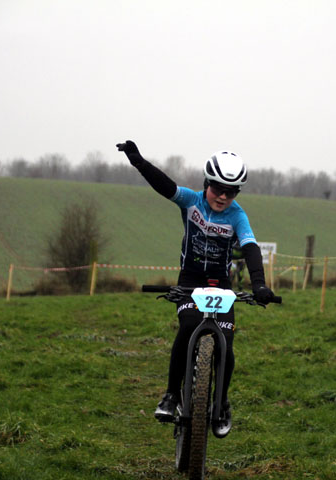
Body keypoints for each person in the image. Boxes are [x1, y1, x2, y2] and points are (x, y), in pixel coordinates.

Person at [117, 140, 275, 438]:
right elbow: (165, 186)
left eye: (231, 192)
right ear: (206, 184)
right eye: (217, 189)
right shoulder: (191, 201)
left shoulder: (237, 216)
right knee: (188, 327)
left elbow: (251, 248)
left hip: (220, 283)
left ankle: (222, 402)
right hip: (190, 279)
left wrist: (260, 285)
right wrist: (138, 161)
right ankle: (171, 395)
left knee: (225, 344)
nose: (223, 197)